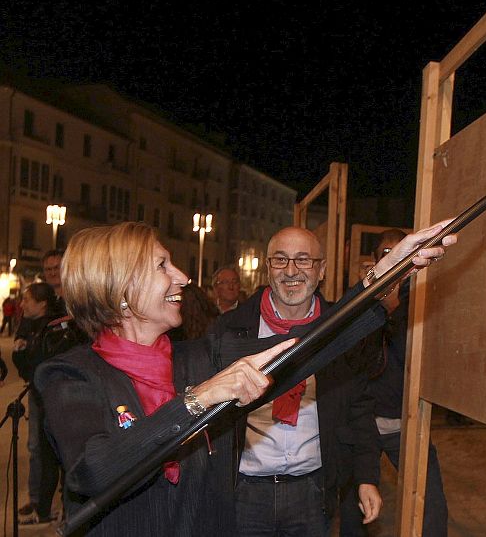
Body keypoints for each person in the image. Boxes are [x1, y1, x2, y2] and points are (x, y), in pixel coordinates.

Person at [35, 221, 454, 536]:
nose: (183, 277)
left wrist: (384, 275)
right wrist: (196, 401)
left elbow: (308, 346)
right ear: (120, 288)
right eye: (163, 265)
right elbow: (94, 469)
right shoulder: (70, 374)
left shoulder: (201, 356)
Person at [211, 227, 386, 536]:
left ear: (321, 270)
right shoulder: (229, 331)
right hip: (244, 492)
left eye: (303, 260)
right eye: (280, 260)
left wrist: (366, 477)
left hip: (312, 491)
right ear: (268, 268)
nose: (291, 271)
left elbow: (359, 407)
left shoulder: (340, 330)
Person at [341, 229, 449, 537]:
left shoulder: (421, 301)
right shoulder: (359, 301)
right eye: (386, 254)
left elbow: (418, 359)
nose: (394, 259)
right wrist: (377, 306)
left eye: (399, 252)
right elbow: (354, 361)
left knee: (432, 507)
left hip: (407, 425)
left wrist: (396, 309)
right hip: (364, 427)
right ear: (375, 263)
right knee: (355, 508)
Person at [11, 283, 66, 524]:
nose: (22, 304)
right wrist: (19, 352)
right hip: (39, 395)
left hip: (54, 400)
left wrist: (25, 354)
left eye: (27, 300)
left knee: (55, 454)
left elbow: (42, 365)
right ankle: (41, 507)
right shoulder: (30, 326)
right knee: (40, 452)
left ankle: (57, 507)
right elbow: (27, 368)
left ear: (42, 304)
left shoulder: (55, 328)